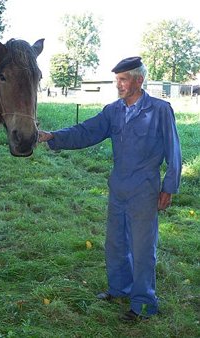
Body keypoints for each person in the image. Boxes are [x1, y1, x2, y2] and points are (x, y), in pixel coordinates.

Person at [39, 56, 182, 321]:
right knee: (115, 243)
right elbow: (86, 131)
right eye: (117, 80)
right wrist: (54, 137)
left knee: (142, 249)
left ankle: (143, 303)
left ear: (138, 81)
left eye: (123, 79)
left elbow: (174, 151)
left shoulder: (160, 110)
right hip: (118, 188)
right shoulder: (113, 111)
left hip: (145, 189)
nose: (119, 85)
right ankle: (119, 288)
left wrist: (169, 187)